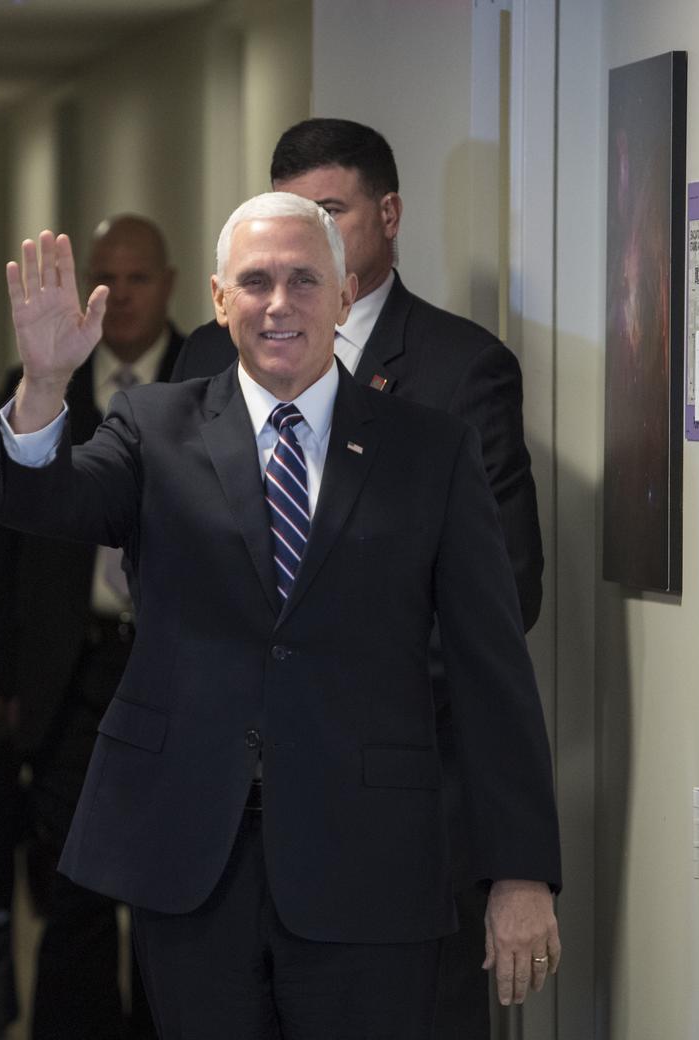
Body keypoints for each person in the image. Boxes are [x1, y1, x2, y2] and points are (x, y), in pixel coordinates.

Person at [0, 193, 561, 1037]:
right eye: (255, 282)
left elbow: (491, 670)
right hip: (194, 853)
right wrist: (43, 384)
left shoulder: (428, 450)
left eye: (303, 279)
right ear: (220, 300)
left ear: (345, 291)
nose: (279, 304)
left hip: (370, 856)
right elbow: (44, 502)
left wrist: (520, 873)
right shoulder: (154, 424)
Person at [171, 117, 543, 1037]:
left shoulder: (461, 372)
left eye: (330, 215)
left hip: (397, 813)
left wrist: (339, 685)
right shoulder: (205, 360)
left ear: (388, 215)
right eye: (293, 218)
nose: (311, 243)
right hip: (224, 824)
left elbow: (505, 602)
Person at [0, 213, 178, 1040]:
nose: (122, 295)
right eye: (108, 276)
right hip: (74, 671)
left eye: (138, 278)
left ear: (171, 286)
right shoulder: (40, 380)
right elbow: (6, 543)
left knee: (171, 894)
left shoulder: (210, 373)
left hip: (174, 671)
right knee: (75, 891)